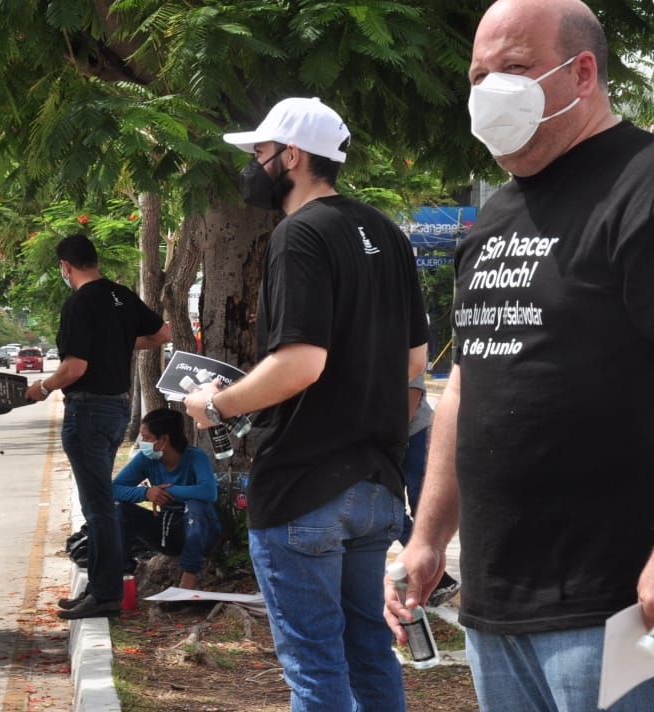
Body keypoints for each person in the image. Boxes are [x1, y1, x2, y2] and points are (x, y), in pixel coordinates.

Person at [384, 1, 654, 709]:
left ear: (581, 73)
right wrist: (427, 539)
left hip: (623, 610)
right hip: (496, 606)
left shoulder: (650, 183)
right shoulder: (496, 219)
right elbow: (466, 388)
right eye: (478, 75)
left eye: (512, 69)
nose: (487, 91)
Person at [185, 97, 428, 711]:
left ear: (292, 156)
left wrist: (217, 405)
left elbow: (301, 363)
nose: (253, 168)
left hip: (303, 489)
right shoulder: (389, 235)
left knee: (316, 671)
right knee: (371, 654)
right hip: (376, 487)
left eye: (261, 155)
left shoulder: (298, 235)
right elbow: (414, 368)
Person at [25, 233, 170, 620]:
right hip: (117, 410)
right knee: (101, 502)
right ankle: (98, 588)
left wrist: (42, 387)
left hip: (87, 411)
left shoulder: (78, 302)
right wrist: (120, 343)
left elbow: (75, 368)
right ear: (95, 261)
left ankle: (105, 592)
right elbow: (162, 333)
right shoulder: (119, 295)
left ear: (65, 267)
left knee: (98, 506)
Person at [112, 408, 221, 589]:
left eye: (147, 438)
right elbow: (114, 488)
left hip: (200, 532)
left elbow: (209, 492)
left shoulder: (196, 457)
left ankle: (189, 576)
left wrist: (170, 492)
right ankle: (125, 574)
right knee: (118, 508)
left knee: (196, 506)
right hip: (166, 530)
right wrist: (146, 493)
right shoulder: (146, 459)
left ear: (164, 440)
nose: (142, 443)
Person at [398, 373, 459, 607]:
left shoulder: (402, 346)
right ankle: (435, 579)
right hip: (382, 443)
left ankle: (436, 577)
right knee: (390, 508)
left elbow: (412, 392)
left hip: (414, 434)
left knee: (423, 505)